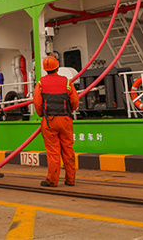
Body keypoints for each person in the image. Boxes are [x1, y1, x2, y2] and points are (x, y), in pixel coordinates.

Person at [33, 55, 79, 187]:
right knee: (68, 149)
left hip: (49, 121)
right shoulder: (67, 82)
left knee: (53, 152)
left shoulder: (41, 83)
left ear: (45, 69)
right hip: (65, 120)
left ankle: (52, 180)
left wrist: (43, 115)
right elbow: (75, 101)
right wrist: (69, 111)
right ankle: (70, 180)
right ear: (57, 67)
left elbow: (37, 103)